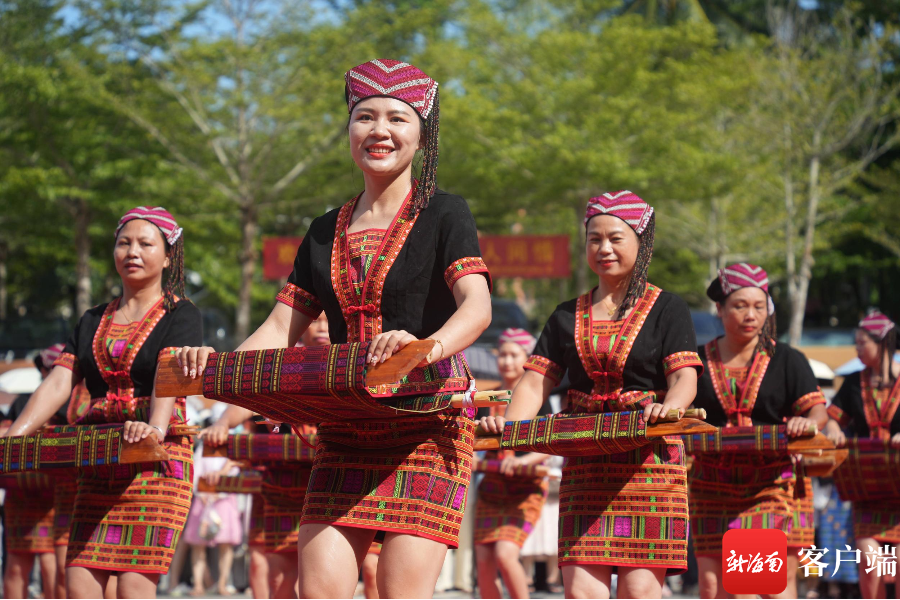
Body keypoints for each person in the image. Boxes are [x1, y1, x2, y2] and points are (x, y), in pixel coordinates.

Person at [175, 59, 492, 598]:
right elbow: (281, 325)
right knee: (318, 590)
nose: (379, 130)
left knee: (398, 591)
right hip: (345, 427)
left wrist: (425, 347)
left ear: (422, 135)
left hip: (426, 422)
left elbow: (477, 307)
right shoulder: (324, 230)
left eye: (397, 118)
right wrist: (218, 369)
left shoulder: (445, 212)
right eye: (365, 117)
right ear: (349, 130)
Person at [480, 191, 702, 599]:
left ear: (642, 243)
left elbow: (684, 377)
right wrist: (507, 428)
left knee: (638, 591)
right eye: (594, 239)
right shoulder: (566, 314)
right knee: (580, 590)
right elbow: (534, 382)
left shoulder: (668, 308)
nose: (604, 249)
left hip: (648, 462)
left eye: (616, 238)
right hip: (585, 462)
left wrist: (669, 408)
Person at [5, 206, 202, 599]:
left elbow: (168, 375)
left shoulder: (181, 314)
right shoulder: (92, 318)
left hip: (157, 463)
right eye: (124, 243)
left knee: (132, 587)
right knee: (79, 584)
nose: (133, 251)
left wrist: (154, 429)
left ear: (168, 257)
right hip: (100, 458)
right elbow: (59, 381)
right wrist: (15, 436)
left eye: (146, 244)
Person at [687, 263, 827, 599]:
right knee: (712, 587)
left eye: (759, 307)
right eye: (740, 306)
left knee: (753, 582)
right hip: (710, 483)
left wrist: (807, 422)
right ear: (720, 309)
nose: (751, 315)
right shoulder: (696, 361)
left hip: (770, 482)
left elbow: (817, 411)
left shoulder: (787, 359)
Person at [201, 313, 329, 599]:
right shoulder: (282, 363)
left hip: (333, 482)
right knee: (277, 576)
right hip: (280, 484)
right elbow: (251, 398)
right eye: (315, 319)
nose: (322, 327)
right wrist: (223, 423)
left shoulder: (351, 357)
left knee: (336, 578)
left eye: (328, 319)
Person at [824, 311, 900, 599]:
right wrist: (834, 431)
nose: (856, 349)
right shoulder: (854, 382)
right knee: (870, 563)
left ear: (882, 343)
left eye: (861, 343)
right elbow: (833, 418)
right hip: (868, 487)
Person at [473, 329, 549, 599]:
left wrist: (523, 461)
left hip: (525, 488)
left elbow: (549, 444)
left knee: (505, 555)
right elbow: (473, 438)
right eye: (502, 355)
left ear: (527, 358)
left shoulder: (539, 396)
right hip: (492, 487)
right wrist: (472, 456)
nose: (506, 361)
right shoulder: (487, 396)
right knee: (483, 560)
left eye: (513, 355)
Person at [0, 344, 68, 599]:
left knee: (55, 565)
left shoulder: (73, 405)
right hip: (21, 494)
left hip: (58, 495)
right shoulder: (23, 402)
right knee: (17, 563)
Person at [182, 450, 242, 596]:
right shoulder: (202, 449)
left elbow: (235, 473)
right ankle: (198, 585)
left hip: (225, 500)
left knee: (225, 545)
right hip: (203, 500)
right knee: (198, 545)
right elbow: (195, 472)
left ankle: (222, 584)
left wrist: (218, 493)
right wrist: (202, 493)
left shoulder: (231, 448)